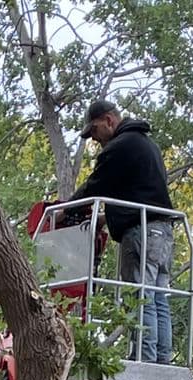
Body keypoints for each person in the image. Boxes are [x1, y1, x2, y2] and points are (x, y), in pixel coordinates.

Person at [67, 99, 174, 364]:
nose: (94, 139)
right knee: (157, 297)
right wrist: (106, 218)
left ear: (108, 121)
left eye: (94, 131)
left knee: (140, 297)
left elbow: (96, 186)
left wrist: (66, 210)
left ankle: (144, 360)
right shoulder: (146, 144)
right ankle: (161, 360)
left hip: (142, 232)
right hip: (163, 231)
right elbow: (140, 193)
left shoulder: (120, 146)